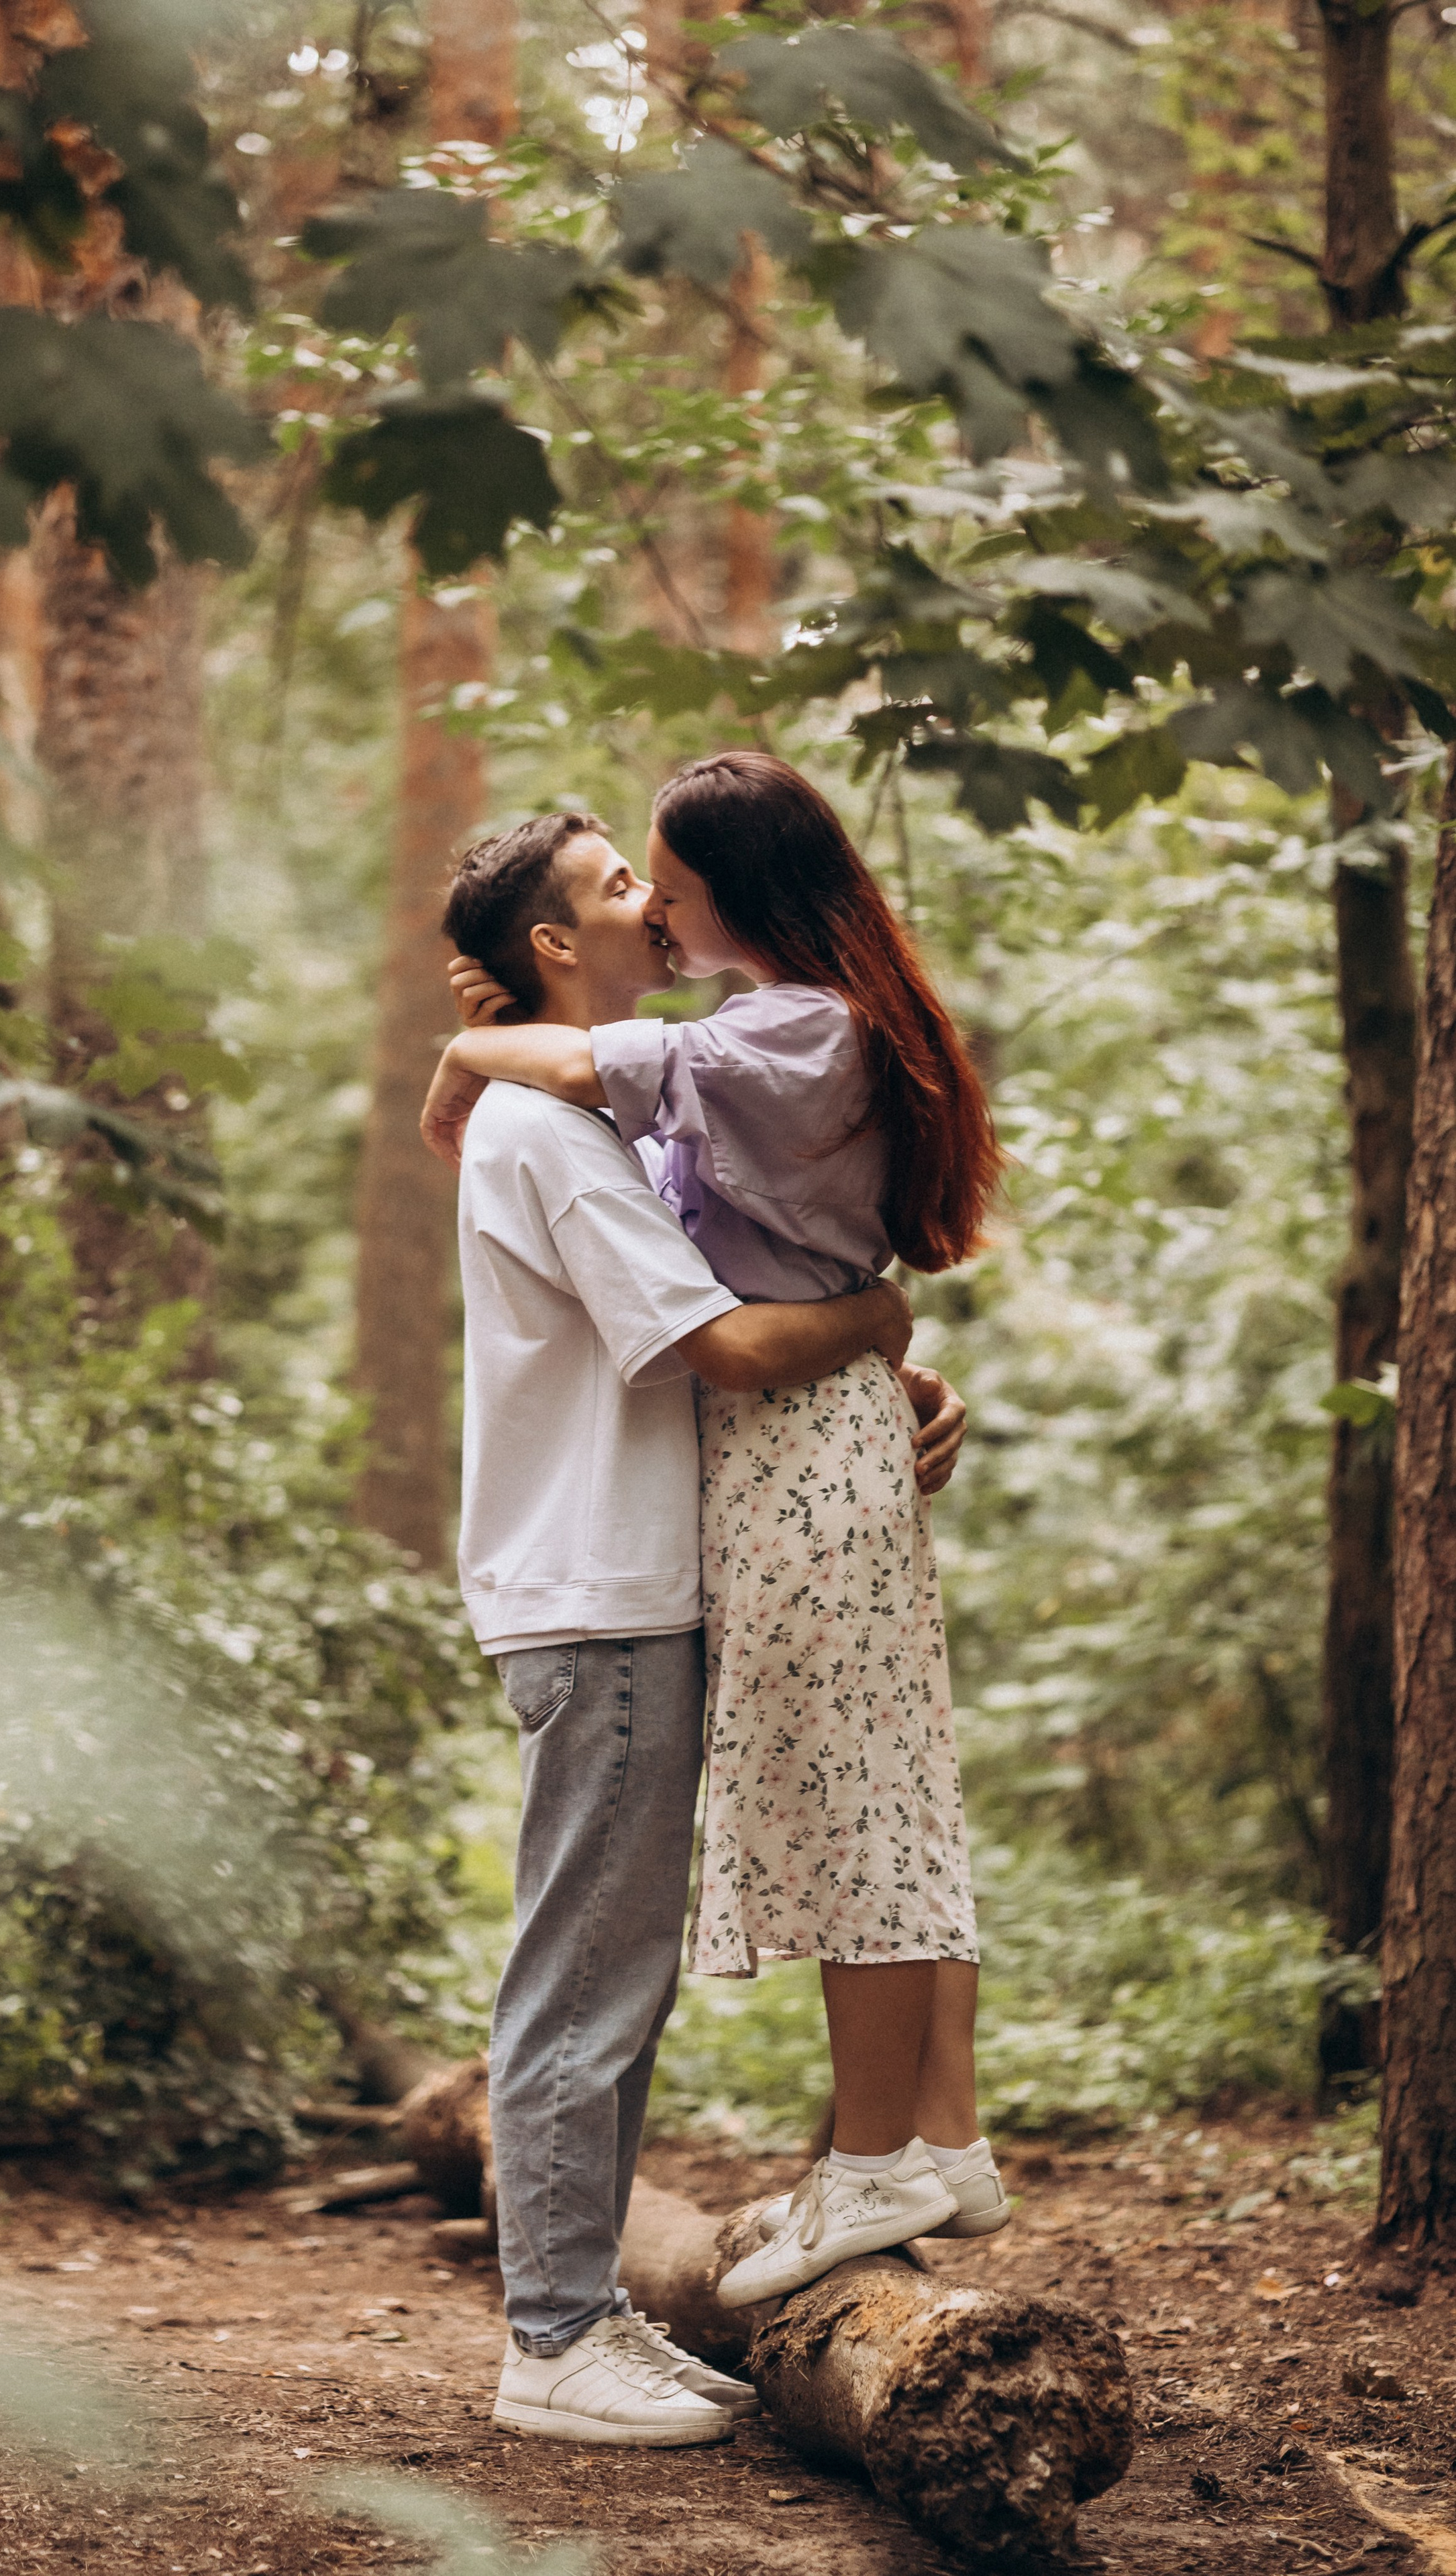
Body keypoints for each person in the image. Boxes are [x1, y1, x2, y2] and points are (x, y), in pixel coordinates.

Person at [424, 752, 1008, 2312]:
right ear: (553, 946)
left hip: (767, 1472)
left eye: (665, 887)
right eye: (631, 892)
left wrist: (877, 1341)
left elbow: (747, 1319)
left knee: (856, 1800)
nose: (656, 914)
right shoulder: (709, 1058)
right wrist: (879, 1331)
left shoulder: (773, 1032)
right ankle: (906, 2151)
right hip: (694, 1507)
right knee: (867, 1794)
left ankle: (894, 2156)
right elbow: (725, 1322)